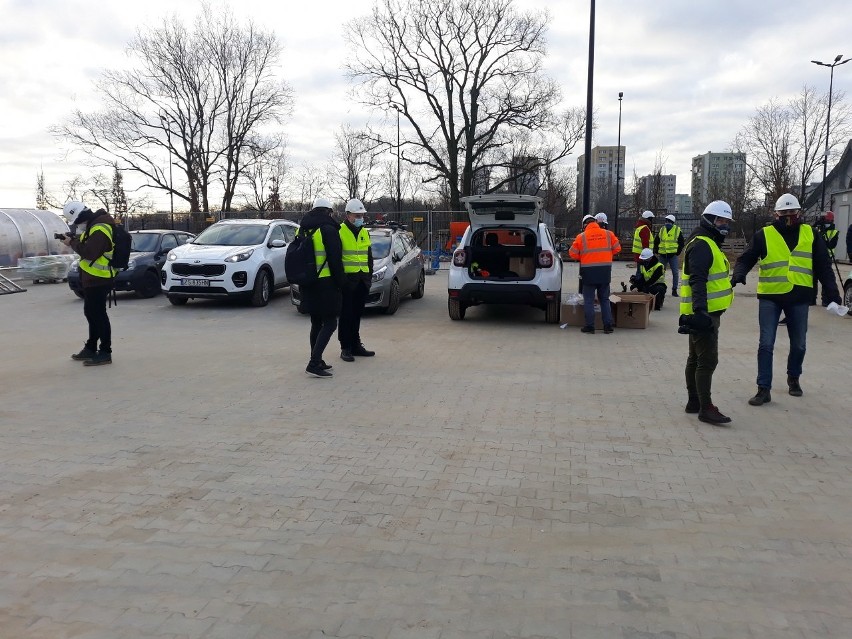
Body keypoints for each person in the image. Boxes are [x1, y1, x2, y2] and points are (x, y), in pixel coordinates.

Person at [732, 193, 842, 406]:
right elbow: (746, 257)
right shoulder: (764, 234)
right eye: (784, 213)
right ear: (776, 214)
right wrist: (740, 273)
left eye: (792, 212)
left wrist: (833, 295)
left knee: (799, 344)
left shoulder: (811, 234)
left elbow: (823, 266)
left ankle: (794, 378)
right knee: (766, 343)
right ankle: (763, 388)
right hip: (770, 297)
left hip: (800, 298)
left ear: (799, 212)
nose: (789, 216)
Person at [680, 200, 735, 425]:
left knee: (695, 358)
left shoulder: (706, 241)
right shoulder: (703, 244)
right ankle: (705, 407)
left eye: (727, 222)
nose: (725, 226)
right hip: (705, 313)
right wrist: (701, 311)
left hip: (704, 312)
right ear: (709, 220)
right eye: (721, 221)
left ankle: (694, 402)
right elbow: (698, 280)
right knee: (708, 360)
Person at [61, 201, 116, 366]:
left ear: (81, 217)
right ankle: (91, 347)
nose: (77, 225)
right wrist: (75, 239)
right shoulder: (95, 225)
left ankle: (105, 352)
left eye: (76, 222)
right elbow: (90, 244)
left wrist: (71, 243)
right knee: (91, 313)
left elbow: (90, 252)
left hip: (99, 279)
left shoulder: (99, 228)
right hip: (93, 279)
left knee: (98, 315)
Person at [299, 197, 345, 378]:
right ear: (329, 212)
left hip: (308, 282)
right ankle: (313, 362)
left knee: (316, 322)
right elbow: (335, 259)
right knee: (331, 322)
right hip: (326, 282)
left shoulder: (304, 228)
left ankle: (317, 360)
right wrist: (342, 282)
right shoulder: (328, 229)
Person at [568, 214, 621, 334]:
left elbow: (572, 253)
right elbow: (617, 248)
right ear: (595, 222)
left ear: (584, 225)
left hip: (588, 272)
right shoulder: (608, 234)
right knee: (605, 299)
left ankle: (590, 326)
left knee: (589, 300)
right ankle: (608, 326)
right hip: (604, 271)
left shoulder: (581, 237)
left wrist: (584, 256)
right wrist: (606, 255)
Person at [338, 198, 375, 362]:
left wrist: (368, 277)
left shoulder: (364, 232)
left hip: (362, 280)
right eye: (357, 215)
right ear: (348, 215)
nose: (360, 218)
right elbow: (336, 258)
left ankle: (356, 345)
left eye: (362, 215)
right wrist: (342, 281)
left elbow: (369, 257)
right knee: (346, 315)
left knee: (357, 314)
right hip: (348, 281)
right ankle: (345, 347)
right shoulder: (340, 231)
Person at [811, 211, 839, 306]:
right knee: (812, 279)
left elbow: (831, 245)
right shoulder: (817, 229)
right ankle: (811, 298)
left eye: (827, 220)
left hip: (827, 258)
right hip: (815, 257)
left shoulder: (834, 232)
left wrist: (823, 237)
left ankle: (826, 300)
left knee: (826, 279)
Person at [654, 214, 684, 297]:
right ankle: (659, 288)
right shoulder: (662, 230)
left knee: (675, 272)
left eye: (669, 221)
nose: (667, 223)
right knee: (660, 272)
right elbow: (657, 240)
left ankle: (674, 290)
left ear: (672, 222)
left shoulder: (677, 230)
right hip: (662, 255)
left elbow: (681, 242)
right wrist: (656, 249)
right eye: (666, 221)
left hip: (672, 255)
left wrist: (677, 252)